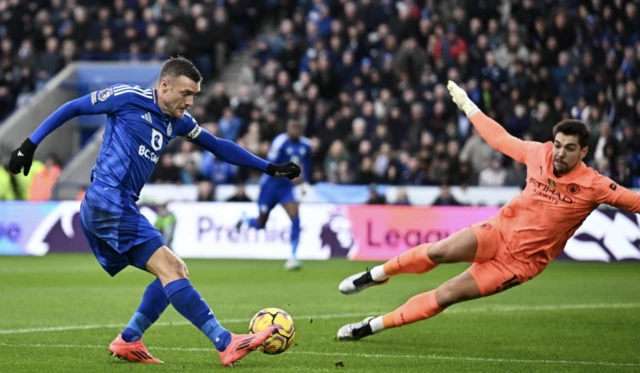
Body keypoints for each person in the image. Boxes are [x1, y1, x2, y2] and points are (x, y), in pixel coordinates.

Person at [7, 57, 301, 366]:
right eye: (185, 93)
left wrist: (270, 168)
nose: (189, 102)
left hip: (115, 205)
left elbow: (218, 145)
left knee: (174, 271)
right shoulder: (127, 98)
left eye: (195, 96)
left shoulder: (177, 121)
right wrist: (30, 144)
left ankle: (129, 339)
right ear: (164, 85)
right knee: (171, 270)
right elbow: (73, 107)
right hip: (107, 199)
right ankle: (225, 342)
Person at [335, 80, 640, 341]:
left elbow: (636, 202)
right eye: (558, 144)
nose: (560, 152)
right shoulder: (539, 153)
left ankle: (371, 325)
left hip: (519, 263)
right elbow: (500, 139)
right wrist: (469, 106)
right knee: (439, 251)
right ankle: (375, 274)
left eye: (569, 148)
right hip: (498, 231)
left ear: (583, 152)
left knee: (446, 295)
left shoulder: (596, 185)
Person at [236, 119, 312, 271]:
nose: (295, 131)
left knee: (296, 219)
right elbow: (271, 167)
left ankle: (293, 257)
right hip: (270, 186)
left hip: (285, 188)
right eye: (292, 127)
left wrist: (304, 182)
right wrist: (291, 175)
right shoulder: (280, 142)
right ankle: (245, 219)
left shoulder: (306, 146)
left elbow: (308, 165)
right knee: (260, 224)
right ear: (288, 129)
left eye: (298, 128)